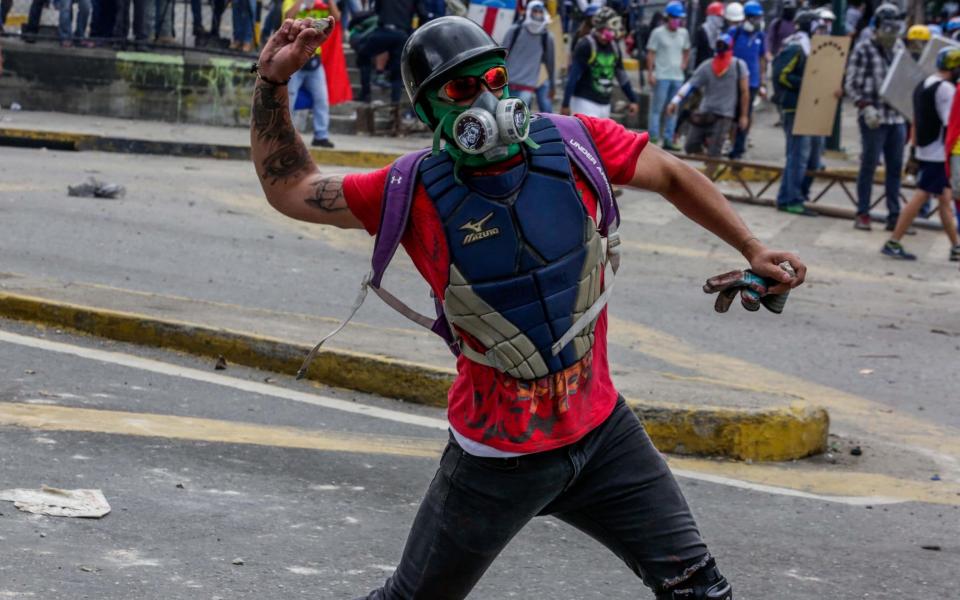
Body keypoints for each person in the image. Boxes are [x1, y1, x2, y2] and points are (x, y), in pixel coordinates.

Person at [249, 14, 806, 600]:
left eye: (496, 78)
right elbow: (289, 186)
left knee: (698, 589)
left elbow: (669, 173)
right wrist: (271, 82)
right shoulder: (407, 189)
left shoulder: (573, 144)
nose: (488, 98)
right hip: (497, 457)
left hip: (603, 433)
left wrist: (752, 246)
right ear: (428, 110)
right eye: (462, 89)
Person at [882, 47, 960, 260]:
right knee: (922, 194)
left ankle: (956, 246)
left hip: (926, 149)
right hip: (938, 152)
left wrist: (914, 151)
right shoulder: (946, 89)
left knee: (944, 198)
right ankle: (894, 241)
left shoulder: (925, 83)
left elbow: (915, 119)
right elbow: (950, 122)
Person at [844, 3, 907, 231]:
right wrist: (864, 105)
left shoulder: (899, 46)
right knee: (869, 166)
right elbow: (851, 84)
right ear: (878, 26)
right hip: (873, 116)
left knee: (895, 168)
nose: (891, 33)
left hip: (896, 117)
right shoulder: (864, 48)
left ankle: (895, 216)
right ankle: (862, 213)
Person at [667, 33, 749, 160]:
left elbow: (744, 92)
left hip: (725, 114)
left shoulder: (738, 65)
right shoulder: (707, 65)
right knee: (690, 145)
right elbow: (690, 85)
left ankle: (709, 175)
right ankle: (705, 168)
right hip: (705, 112)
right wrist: (675, 101)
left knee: (715, 152)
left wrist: (744, 115)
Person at [772, 9, 821, 216]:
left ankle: (789, 196)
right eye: (817, 24)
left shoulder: (810, 47)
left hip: (808, 107)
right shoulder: (796, 46)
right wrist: (807, 84)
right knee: (797, 156)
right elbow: (781, 75)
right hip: (794, 107)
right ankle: (791, 199)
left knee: (809, 157)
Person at [563, 6, 639, 119]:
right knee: (586, 136)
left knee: (600, 137)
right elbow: (573, 77)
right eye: (611, 26)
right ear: (601, 27)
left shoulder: (614, 47)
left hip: (605, 104)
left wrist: (633, 99)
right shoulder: (586, 45)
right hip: (584, 101)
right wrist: (565, 103)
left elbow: (622, 76)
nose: (615, 30)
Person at [283, 0, 339, 147]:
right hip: (295, 58)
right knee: (290, 98)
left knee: (321, 99)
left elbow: (336, 18)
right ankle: (286, 135)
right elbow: (288, 16)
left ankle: (321, 135)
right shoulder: (290, 1)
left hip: (314, 59)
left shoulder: (322, 4)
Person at [356, 0, 430, 104]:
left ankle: (366, 94)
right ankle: (395, 105)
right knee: (397, 72)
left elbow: (377, 9)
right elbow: (423, 15)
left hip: (384, 31)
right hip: (401, 34)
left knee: (363, 56)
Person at [646, 1, 690, 149]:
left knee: (673, 109)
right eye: (675, 18)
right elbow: (651, 53)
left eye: (679, 18)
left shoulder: (683, 33)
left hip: (677, 77)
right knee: (657, 109)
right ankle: (653, 137)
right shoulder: (657, 33)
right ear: (668, 18)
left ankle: (668, 139)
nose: (677, 21)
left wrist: (684, 63)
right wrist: (650, 73)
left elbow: (687, 50)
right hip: (662, 76)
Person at [728, 0, 767, 160]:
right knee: (731, 114)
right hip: (733, 81)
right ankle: (729, 142)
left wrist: (762, 81)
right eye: (755, 18)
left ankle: (739, 148)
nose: (758, 21)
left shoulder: (760, 36)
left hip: (752, 82)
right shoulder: (734, 33)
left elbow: (762, 58)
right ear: (747, 18)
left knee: (746, 114)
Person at [504, 0, 556, 113]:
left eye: (540, 11)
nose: (537, 14)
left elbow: (550, 64)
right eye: (535, 11)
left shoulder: (546, 37)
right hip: (507, 85)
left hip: (526, 88)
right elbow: (502, 56)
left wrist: (552, 85)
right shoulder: (514, 31)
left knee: (516, 118)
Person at [692, 1, 725, 67]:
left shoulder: (720, 33)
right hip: (701, 67)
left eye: (721, 17)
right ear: (711, 16)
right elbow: (694, 52)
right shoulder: (701, 31)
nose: (720, 19)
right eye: (718, 16)